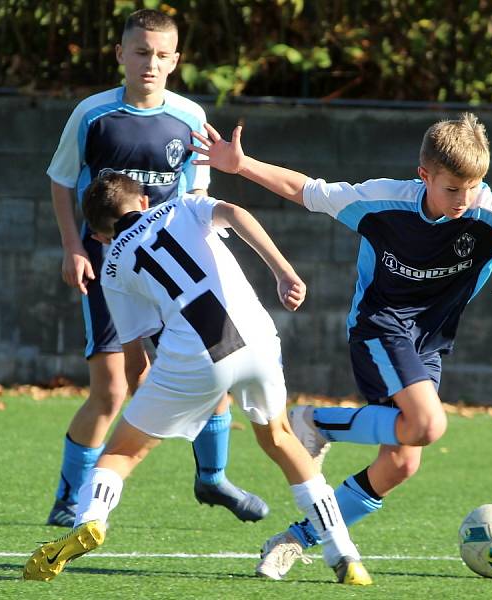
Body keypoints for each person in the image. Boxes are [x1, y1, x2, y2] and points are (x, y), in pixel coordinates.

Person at [188, 113, 492, 578]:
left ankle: (294, 538)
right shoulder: (382, 201)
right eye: (452, 189)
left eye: (473, 187)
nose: (464, 200)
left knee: (402, 462)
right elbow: (305, 190)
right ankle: (318, 423)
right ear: (424, 175)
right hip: (378, 327)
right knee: (427, 425)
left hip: (428, 344)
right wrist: (241, 164)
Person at [23, 173, 372, 586]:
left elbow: (135, 360)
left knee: (122, 451)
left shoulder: (113, 264)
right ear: (146, 199)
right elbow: (236, 213)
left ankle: (91, 520)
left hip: (197, 355)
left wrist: (148, 410)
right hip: (259, 339)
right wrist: (284, 272)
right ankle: (344, 554)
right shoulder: (184, 204)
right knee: (280, 439)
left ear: (98, 236)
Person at [45, 8, 266, 528]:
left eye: (161, 55)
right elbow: (60, 181)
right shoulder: (92, 115)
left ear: (175, 61)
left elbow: (199, 196)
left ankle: (212, 479)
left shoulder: (190, 118)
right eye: (140, 52)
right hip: (109, 269)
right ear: (120, 54)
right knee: (112, 390)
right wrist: (73, 247)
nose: (150, 63)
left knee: (220, 364)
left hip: (176, 275)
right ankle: (69, 498)